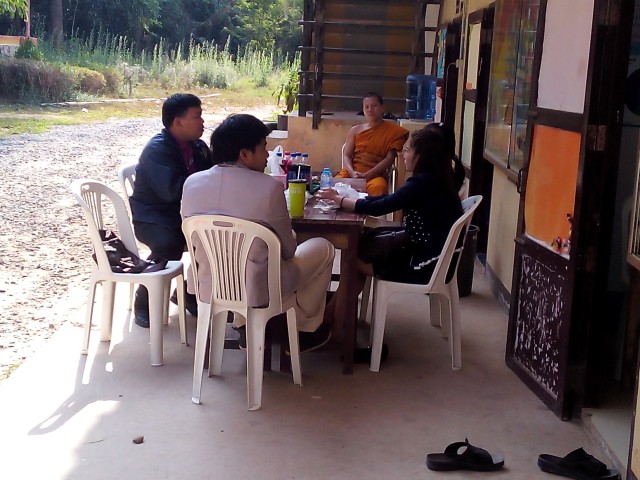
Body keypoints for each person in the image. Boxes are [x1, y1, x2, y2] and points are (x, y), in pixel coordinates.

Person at [181, 113, 335, 353]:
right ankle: (303, 328)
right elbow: (288, 250)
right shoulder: (269, 187)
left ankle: (244, 324)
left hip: (209, 282)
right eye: (264, 148)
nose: (267, 155)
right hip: (260, 287)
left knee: (239, 257)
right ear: (244, 154)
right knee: (323, 248)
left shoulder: (191, 183)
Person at [318, 123, 463, 330]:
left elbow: (382, 207)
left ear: (421, 156)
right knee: (358, 250)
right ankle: (333, 318)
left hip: (422, 264)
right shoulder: (437, 178)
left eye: (408, 150)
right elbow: (390, 200)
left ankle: (333, 325)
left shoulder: (421, 184)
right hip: (429, 255)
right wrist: (354, 199)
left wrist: (340, 200)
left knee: (353, 260)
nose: (404, 155)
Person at [129, 93, 213, 328]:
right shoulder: (157, 150)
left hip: (184, 215)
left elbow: (213, 175)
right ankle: (144, 299)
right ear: (178, 122)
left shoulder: (197, 147)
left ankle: (188, 292)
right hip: (155, 218)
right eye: (197, 116)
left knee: (217, 238)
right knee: (169, 243)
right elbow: (172, 191)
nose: (202, 122)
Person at [335, 92, 409, 196]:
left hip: (375, 175)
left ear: (382, 108)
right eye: (366, 107)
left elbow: (389, 159)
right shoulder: (355, 130)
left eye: (374, 106)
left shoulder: (393, 132)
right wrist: (352, 172)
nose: (370, 109)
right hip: (353, 172)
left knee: (379, 188)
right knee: (334, 185)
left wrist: (368, 175)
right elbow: (346, 155)